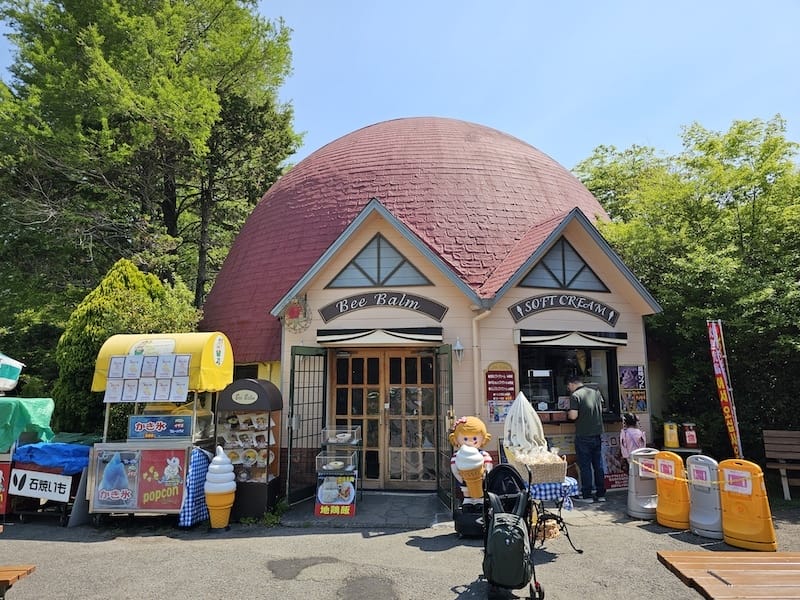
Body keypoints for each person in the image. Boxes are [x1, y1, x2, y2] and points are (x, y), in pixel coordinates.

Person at [566, 374, 606, 502]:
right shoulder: (595, 393)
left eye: (568, 386)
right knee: (598, 465)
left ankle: (587, 495)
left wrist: (568, 413)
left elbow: (573, 416)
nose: (568, 389)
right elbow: (601, 409)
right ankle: (601, 494)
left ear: (572, 384)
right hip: (597, 434)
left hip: (583, 435)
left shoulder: (575, 396)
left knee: (585, 466)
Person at [448, 416, 493, 505]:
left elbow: (488, 463)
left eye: (475, 438)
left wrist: (485, 474)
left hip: (480, 479)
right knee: (466, 489)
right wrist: (460, 478)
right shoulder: (458, 455)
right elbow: (454, 466)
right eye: (465, 439)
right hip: (464, 479)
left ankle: (479, 501)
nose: (470, 442)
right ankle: (468, 501)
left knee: (480, 489)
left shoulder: (482, 454)